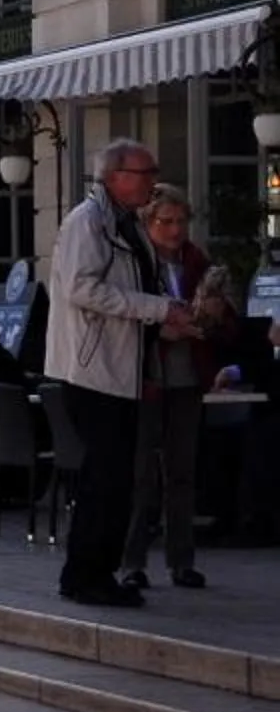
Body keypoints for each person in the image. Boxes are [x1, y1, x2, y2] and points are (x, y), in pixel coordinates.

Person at [47, 139, 191, 607]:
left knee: (114, 476)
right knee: (106, 477)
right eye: (144, 172)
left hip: (120, 368)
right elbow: (81, 288)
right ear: (115, 176)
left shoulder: (123, 223)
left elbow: (129, 288)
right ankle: (89, 575)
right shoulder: (88, 222)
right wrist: (156, 308)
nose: (152, 180)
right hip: (93, 369)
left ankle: (89, 572)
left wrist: (162, 320)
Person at [118, 185, 212, 593]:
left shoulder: (195, 261)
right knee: (140, 475)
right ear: (147, 223)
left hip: (188, 377)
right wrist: (162, 328)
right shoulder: (136, 263)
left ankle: (181, 560)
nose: (175, 230)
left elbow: (222, 322)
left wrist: (209, 317)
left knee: (182, 473)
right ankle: (132, 562)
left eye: (181, 221)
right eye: (166, 222)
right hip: (146, 377)